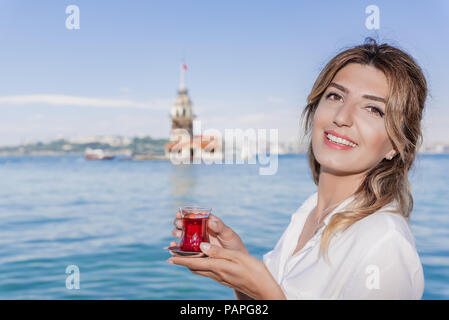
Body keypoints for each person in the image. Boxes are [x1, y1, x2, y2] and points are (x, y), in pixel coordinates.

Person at [167, 38, 427, 300]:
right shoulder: (308, 212)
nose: (341, 117)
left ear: (397, 144)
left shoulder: (384, 243)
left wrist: (265, 290)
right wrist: (241, 267)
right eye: (335, 96)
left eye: (373, 109)